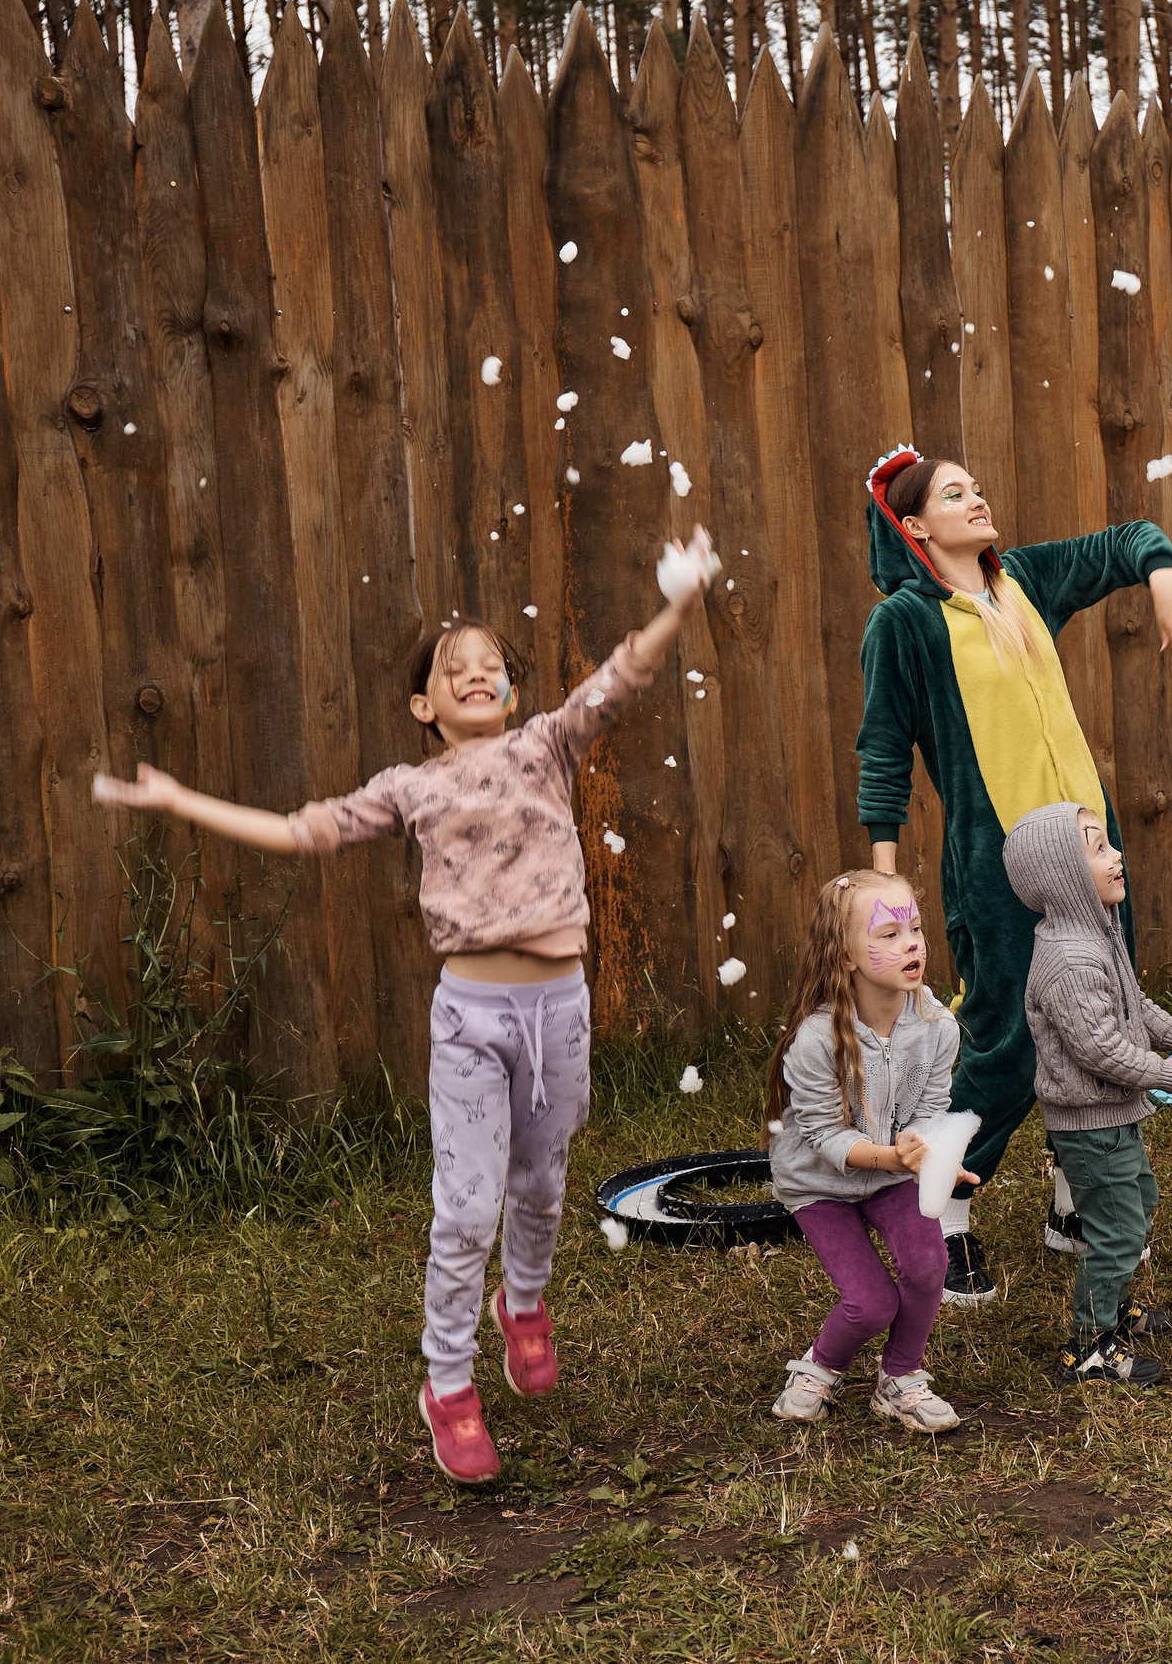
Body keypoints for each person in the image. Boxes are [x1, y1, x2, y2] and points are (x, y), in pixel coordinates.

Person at [92, 533, 717, 1483]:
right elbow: (304, 831)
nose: (477, 673)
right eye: (452, 669)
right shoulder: (410, 787)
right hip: (471, 1015)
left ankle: (526, 1302)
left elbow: (620, 677)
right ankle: (450, 1386)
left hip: (558, 1011)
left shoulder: (548, 744)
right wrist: (184, 801)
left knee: (543, 1184)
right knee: (465, 1209)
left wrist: (676, 600)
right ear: (423, 705)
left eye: (493, 666)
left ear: (510, 691)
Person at [856, 447, 1172, 1306]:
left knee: (1106, 1017)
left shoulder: (1023, 579)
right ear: (915, 526)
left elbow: (1130, 539)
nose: (978, 496)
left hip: (1089, 858)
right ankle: (941, 1207)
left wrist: (1163, 580)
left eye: (978, 484)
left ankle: (1078, 1201)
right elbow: (882, 752)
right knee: (1007, 1046)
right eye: (956, 492)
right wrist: (882, 885)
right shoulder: (906, 622)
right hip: (999, 870)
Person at [1002, 803, 1172, 1386]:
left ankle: (1114, 1306)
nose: (1117, 856)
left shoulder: (1096, 935)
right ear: (1065, 877)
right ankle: (1088, 1347)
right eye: (1098, 848)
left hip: (1110, 1114)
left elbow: (1134, 1007)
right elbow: (1099, 1050)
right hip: (1089, 1123)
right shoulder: (1071, 959)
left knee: (1137, 1206)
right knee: (1118, 1229)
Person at [764, 869, 975, 1433]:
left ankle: (900, 1377)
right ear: (846, 956)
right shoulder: (816, 1041)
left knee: (931, 1266)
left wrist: (937, 1153)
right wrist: (897, 1158)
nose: (910, 943)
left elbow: (932, 1109)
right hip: (819, 1183)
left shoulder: (936, 1027)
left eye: (914, 927)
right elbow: (824, 1136)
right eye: (886, 934)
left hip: (892, 1172)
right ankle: (818, 1368)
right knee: (871, 1303)